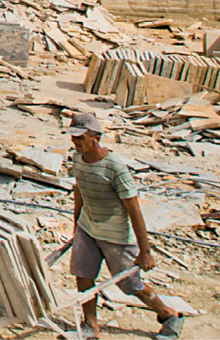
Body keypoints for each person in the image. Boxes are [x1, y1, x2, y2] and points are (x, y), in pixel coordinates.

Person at [67, 112, 183, 340]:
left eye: (80, 137)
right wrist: (76, 227)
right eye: (73, 137)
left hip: (116, 236)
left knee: (129, 283)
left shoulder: (115, 168)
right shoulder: (77, 159)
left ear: (95, 137)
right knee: (83, 275)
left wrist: (145, 251)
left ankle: (169, 315)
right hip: (88, 229)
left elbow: (134, 210)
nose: (75, 142)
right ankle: (91, 327)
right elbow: (79, 191)